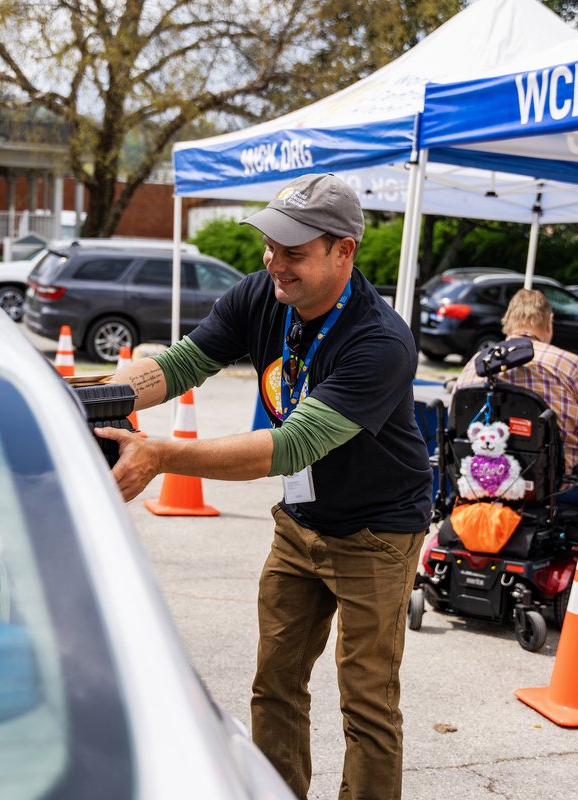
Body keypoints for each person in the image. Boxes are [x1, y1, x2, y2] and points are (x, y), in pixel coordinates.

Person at [96, 173, 432, 800]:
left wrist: (162, 455)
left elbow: (292, 445)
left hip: (378, 532)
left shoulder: (380, 341)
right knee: (274, 685)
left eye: (294, 251)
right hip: (301, 524)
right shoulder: (262, 294)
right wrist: (94, 400)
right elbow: (180, 365)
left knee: (367, 706)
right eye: (270, 245)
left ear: (344, 251)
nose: (275, 262)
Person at [453, 289, 578, 535]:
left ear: (507, 324)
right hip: (557, 491)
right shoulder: (570, 365)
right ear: (548, 322)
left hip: (484, 484)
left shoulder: (475, 366)